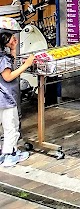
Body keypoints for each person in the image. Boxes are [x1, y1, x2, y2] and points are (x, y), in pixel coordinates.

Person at [0, 17, 35, 167]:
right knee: (11, 127)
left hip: (2, 98)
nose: (14, 38)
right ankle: (9, 155)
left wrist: (13, 50)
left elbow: (9, 67)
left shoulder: (3, 56)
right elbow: (8, 76)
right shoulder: (2, 58)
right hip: (6, 98)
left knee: (7, 126)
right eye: (10, 36)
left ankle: (6, 153)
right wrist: (26, 65)